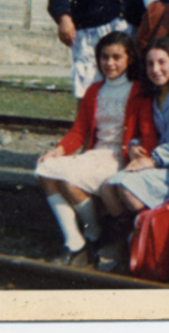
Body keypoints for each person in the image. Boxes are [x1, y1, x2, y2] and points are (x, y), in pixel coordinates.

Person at [35, 32, 158, 267]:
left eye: (116, 57)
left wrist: (143, 157)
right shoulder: (93, 91)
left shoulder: (139, 90)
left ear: (129, 59)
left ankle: (93, 232)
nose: (110, 63)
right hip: (95, 154)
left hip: (118, 158)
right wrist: (59, 150)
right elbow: (79, 131)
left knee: (69, 181)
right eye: (104, 57)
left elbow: (148, 132)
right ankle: (74, 239)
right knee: (44, 169)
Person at [99, 37, 169, 271]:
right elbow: (145, 131)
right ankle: (132, 238)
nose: (155, 69)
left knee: (126, 187)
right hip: (161, 165)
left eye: (162, 62)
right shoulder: (153, 92)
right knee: (107, 187)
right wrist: (136, 147)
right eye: (150, 64)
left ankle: (146, 240)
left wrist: (152, 160)